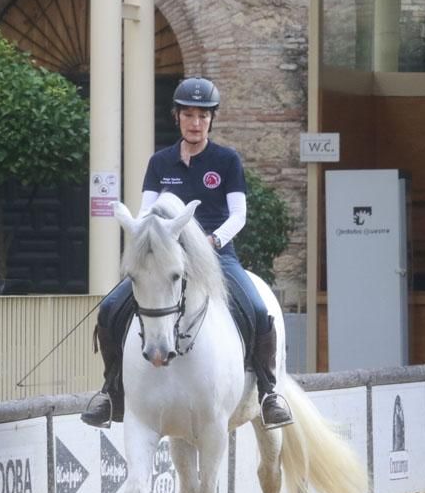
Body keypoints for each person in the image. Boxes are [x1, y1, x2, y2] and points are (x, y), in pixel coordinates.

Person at [81, 76, 293, 430]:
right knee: (110, 308)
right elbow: (148, 211)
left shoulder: (226, 161)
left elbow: (238, 214)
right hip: (166, 258)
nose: (196, 123)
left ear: (212, 120)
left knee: (258, 309)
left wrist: (212, 242)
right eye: (189, 115)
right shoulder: (160, 162)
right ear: (177, 116)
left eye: (203, 116)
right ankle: (111, 391)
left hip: (216, 255)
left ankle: (269, 393)